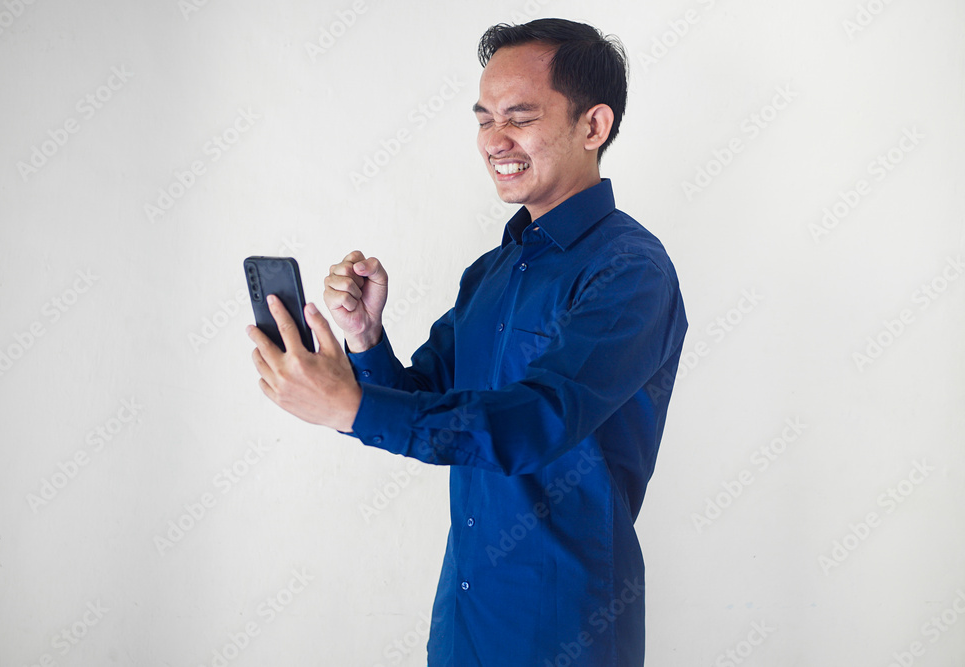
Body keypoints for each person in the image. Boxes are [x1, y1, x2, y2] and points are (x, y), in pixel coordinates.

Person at [247, 18, 688, 666]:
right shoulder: (493, 271)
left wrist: (350, 407)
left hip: (564, 628)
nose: (494, 140)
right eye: (484, 118)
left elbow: (538, 420)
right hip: (464, 622)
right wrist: (366, 340)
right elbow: (429, 399)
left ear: (593, 126)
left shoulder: (630, 272)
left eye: (519, 116)